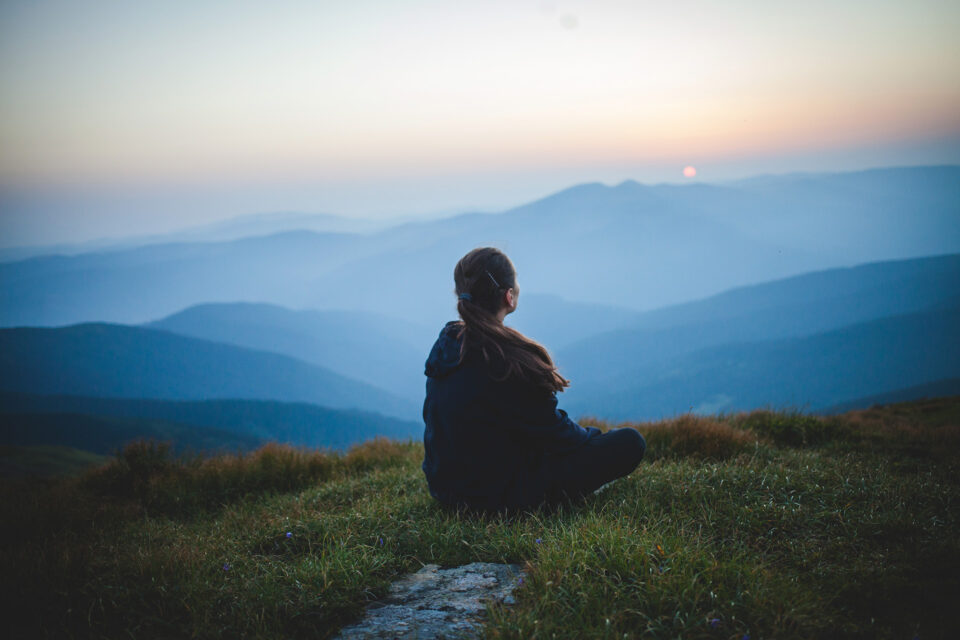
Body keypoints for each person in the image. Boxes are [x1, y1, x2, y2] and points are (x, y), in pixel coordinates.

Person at [422, 246, 646, 513]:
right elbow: (558, 436)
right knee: (630, 442)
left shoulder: (446, 346)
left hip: (445, 490)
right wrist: (593, 440)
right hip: (494, 499)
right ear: (509, 297)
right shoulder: (507, 362)